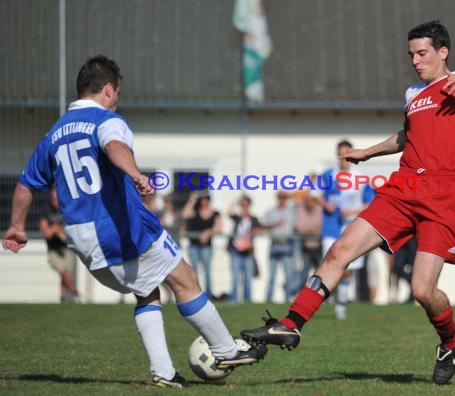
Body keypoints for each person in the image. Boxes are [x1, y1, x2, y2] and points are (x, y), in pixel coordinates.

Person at [240, 20, 455, 385]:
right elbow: (407, 135)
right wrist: (367, 153)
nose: (415, 61)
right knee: (340, 249)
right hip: (403, 187)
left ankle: (450, 341)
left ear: (443, 52)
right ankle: (291, 324)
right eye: (411, 55)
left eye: (422, 53)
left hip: (443, 192)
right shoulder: (413, 93)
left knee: (422, 290)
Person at [1, 55, 267, 388]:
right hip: (118, 228)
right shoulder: (105, 120)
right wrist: (135, 173)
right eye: (118, 92)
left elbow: (26, 184)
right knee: (185, 279)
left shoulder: (53, 134)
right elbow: (114, 146)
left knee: (147, 293)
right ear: (109, 88)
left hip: (83, 239)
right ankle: (226, 349)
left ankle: (163, 372)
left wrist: (15, 226)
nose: (118, 99)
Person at [319, 139, 371, 320]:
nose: (344, 158)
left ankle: (340, 305)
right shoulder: (327, 175)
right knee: (329, 264)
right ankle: (318, 301)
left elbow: (370, 203)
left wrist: (354, 211)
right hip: (331, 227)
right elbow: (314, 195)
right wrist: (325, 204)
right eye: (341, 154)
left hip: (353, 228)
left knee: (347, 269)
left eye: (347, 154)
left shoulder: (361, 178)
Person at [39, 188, 80, 303]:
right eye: (53, 198)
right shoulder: (47, 211)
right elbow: (46, 233)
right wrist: (56, 230)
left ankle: (62, 299)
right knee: (63, 271)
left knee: (65, 273)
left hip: (68, 248)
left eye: (57, 198)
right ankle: (75, 293)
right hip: (53, 249)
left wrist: (57, 230)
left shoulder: (67, 209)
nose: (55, 201)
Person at [181, 192, 222, 299]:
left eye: (205, 199)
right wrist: (192, 199)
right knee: (194, 271)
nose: (203, 201)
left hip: (207, 247)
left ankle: (209, 295)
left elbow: (219, 229)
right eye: (201, 199)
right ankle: (196, 295)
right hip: (194, 246)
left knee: (207, 271)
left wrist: (209, 232)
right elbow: (184, 215)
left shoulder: (215, 213)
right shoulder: (194, 212)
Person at [226, 195, 263, 303]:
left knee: (247, 279)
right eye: (242, 205)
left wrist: (255, 232)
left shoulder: (254, 219)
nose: (244, 207)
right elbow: (228, 211)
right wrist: (236, 201)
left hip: (248, 253)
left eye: (246, 205)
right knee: (235, 277)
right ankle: (234, 300)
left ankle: (248, 300)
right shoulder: (238, 218)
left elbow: (261, 229)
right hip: (236, 251)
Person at [263, 191, 297, 303]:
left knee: (289, 274)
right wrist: (274, 224)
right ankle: (268, 299)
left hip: (287, 244)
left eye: (284, 198)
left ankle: (288, 298)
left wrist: (292, 195)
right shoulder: (270, 212)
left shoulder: (292, 211)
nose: (282, 200)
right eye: (281, 198)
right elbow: (263, 225)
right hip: (275, 244)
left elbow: (303, 199)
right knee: (271, 275)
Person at [294, 193, 323, 294]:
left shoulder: (320, 210)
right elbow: (299, 229)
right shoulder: (301, 210)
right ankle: (301, 295)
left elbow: (322, 229)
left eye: (311, 200)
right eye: (307, 200)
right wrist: (313, 230)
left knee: (321, 274)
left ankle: (320, 296)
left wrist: (308, 230)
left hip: (319, 247)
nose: (309, 203)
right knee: (304, 274)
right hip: (306, 248)